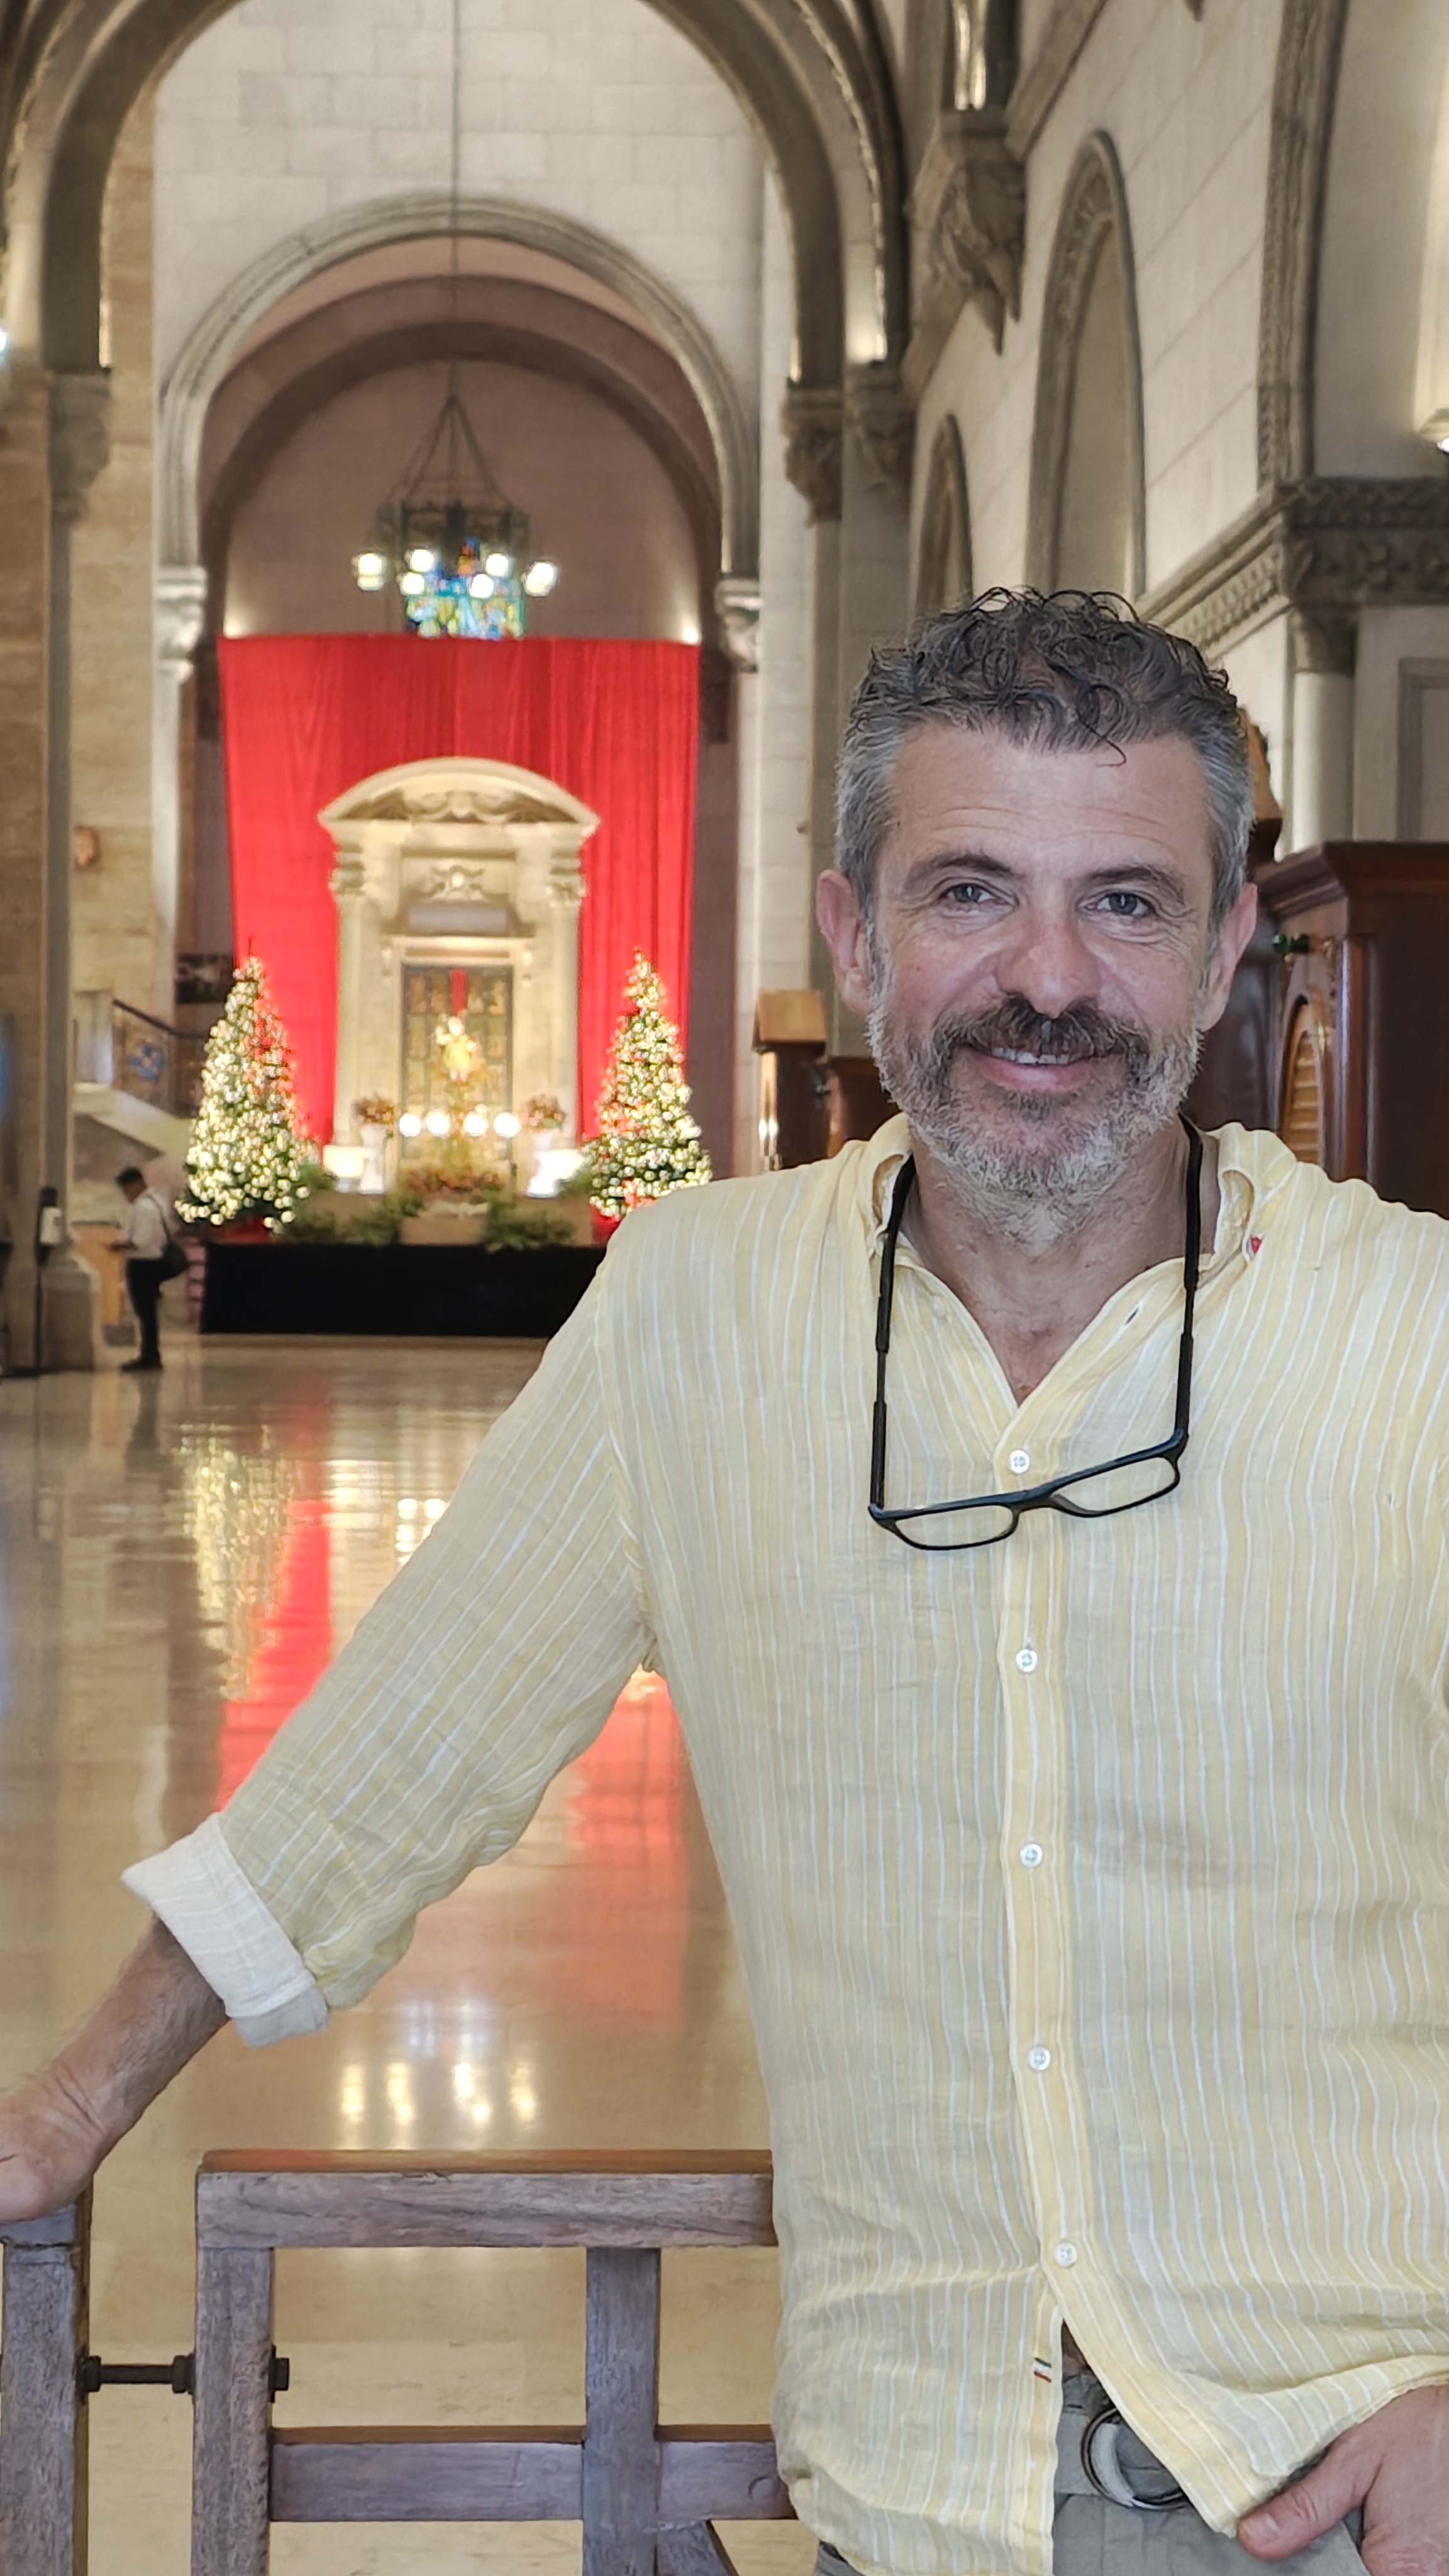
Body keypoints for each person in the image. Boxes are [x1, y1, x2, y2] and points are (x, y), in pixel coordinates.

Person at [6, 589, 1449, 2576]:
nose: (1047, 980)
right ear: (855, 933)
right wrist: (65, 2109)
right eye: (969, 892)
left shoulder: (1411, 1334)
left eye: (1125, 903)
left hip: (1366, 2469)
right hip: (922, 2491)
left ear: (1223, 952)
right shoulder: (696, 1311)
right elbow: (386, 1767)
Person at [113, 1165, 174, 1373]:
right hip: (154, 1261)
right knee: (149, 1313)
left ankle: (149, 1356)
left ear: (136, 1185)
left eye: (126, 1190)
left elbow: (141, 1240)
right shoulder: (157, 1201)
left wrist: (119, 1245)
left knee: (145, 1313)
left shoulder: (144, 1207)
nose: (126, 1195)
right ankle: (150, 1354)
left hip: (143, 1264)